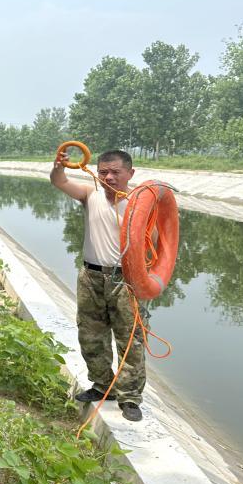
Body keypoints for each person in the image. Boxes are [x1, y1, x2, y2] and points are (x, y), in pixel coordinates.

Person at [50, 148, 146, 422]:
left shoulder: (140, 203)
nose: (109, 177)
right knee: (91, 333)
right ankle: (103, 385)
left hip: (125, 280)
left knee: (130, 339)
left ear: (130, 173)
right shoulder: (90, 194)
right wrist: (59, 166)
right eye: (104, 172)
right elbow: (59, 181)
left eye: (116, 172)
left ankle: (130, 397)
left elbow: (155, 242)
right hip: (91, 276)